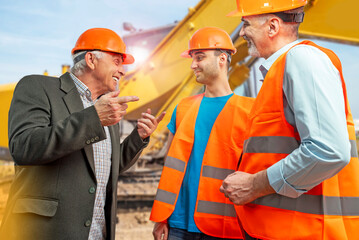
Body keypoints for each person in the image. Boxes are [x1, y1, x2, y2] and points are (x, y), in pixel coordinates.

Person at [0, 28, 165, 240]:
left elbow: (109, 168)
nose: (123, 70)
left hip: (97, 233)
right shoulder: (38, 87)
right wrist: (93, 119)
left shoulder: (105, 108)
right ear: (91, 59)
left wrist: (138, 137)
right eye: (117, 61)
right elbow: (24, 147)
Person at [221, 0, 359, 239]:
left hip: (305, 232)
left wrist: (254, 185)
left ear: (273, 26)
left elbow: (328, 150)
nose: (241, 32)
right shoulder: (283, 69)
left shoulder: (302, 59)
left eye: (245, 24)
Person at [150, 27, 254, 240]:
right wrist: (162, 217)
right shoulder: (183, 108)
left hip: (225, 226)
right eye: (192, 58)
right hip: (178, 224)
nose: (193, 64)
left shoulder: (250, 111)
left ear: (222, 59)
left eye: (199, 57)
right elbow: (171, 169)